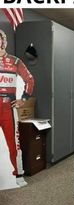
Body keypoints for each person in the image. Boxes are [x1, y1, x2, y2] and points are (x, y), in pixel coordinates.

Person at [0, 29, 34, 176]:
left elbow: (30, 80)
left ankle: (17, 172)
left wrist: (23, 99)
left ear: (4, 41)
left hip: (8, 108)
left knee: (12, 143)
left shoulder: (15, 61)